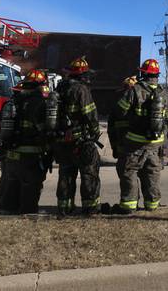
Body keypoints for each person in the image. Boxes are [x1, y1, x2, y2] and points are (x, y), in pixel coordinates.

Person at [112, 58, 166, 213]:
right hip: (156, 143)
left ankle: (129, 206)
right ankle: (152, 205)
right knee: (152, 173)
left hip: (135, 141)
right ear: (157, 75)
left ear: (143, 73)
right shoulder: (164, 93)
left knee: (129, 171)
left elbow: (120, 111)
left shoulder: (135, 90)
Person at [0, 69, 56, 214]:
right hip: (32, 153)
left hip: (12, 153)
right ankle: (28, 212)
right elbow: (46, 128)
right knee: (31, 185)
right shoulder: (40, 102)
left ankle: (7, 210)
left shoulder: (15, 100)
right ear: (41, 84)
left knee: (12, 183)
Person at [53, 56, 102, 216]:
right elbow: (90, 114)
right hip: (81, 142)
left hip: (62, 141)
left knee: (66, 175)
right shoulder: (81, 89)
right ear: (83, 75)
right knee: (89, 174)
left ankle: (64, 207)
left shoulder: (60, 88)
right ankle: (90, 207)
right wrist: (95, 132)